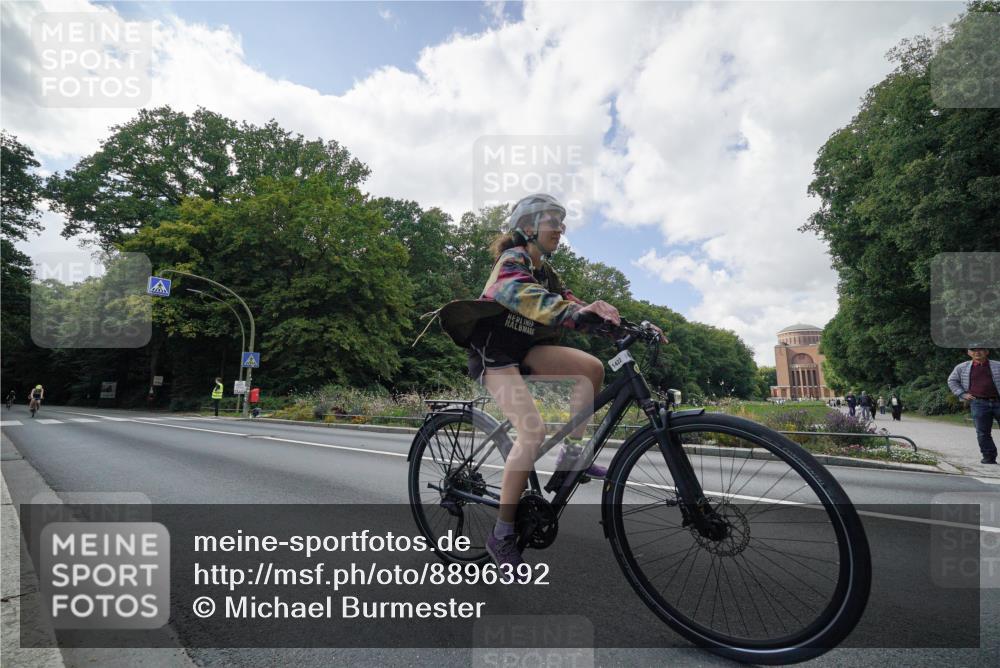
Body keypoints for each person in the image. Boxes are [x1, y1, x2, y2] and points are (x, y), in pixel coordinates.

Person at [434, 193, 664, 568]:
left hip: (525, 350)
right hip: (495, 355)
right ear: (528, 227)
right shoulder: (511, 262)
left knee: (592, 369)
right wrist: (577, 313)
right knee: (532, 431)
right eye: (552, 222)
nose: (560, 229)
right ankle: (501, 536)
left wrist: (626, 326)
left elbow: (573, 303)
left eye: (562, 223)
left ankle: (571, 458)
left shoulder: (546, 272)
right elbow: (528, 298)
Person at [947, 346, 1000, 465]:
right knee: (982, 432)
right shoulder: (962, 367)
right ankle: (989, 457)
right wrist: (962, 394)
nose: (977, 352)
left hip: (998, 401)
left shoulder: (997, 365)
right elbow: (952, 381)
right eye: (974, 350)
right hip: (978, 403)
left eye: (980, 350)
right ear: (969, 353)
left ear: (986, 352)